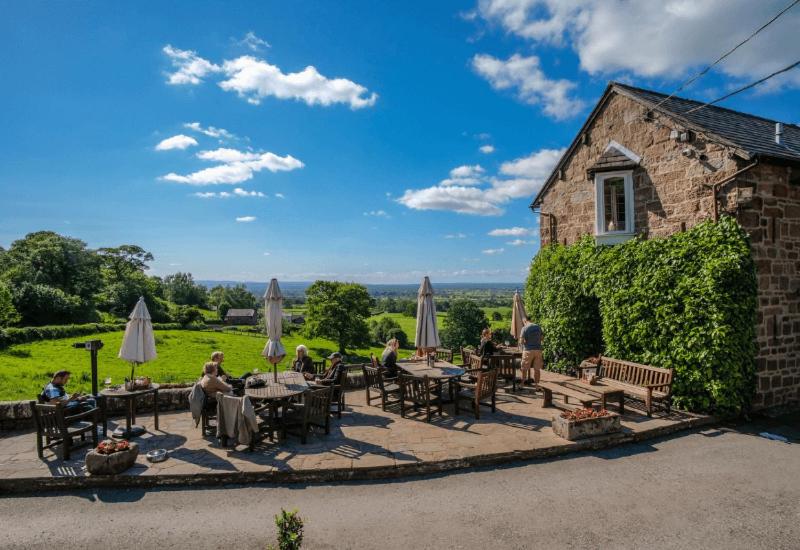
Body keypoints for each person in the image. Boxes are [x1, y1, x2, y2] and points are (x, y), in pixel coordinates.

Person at [519, 320, 544, 385]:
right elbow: (542, 338)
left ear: (525, 321)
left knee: (524, 368)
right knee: (537, 369)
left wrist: (526, 342)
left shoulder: (524, 328)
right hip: (538, 350)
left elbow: (521, 341)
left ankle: (522, 384)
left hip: (528, 350)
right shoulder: (538, 327)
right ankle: (537, 385)